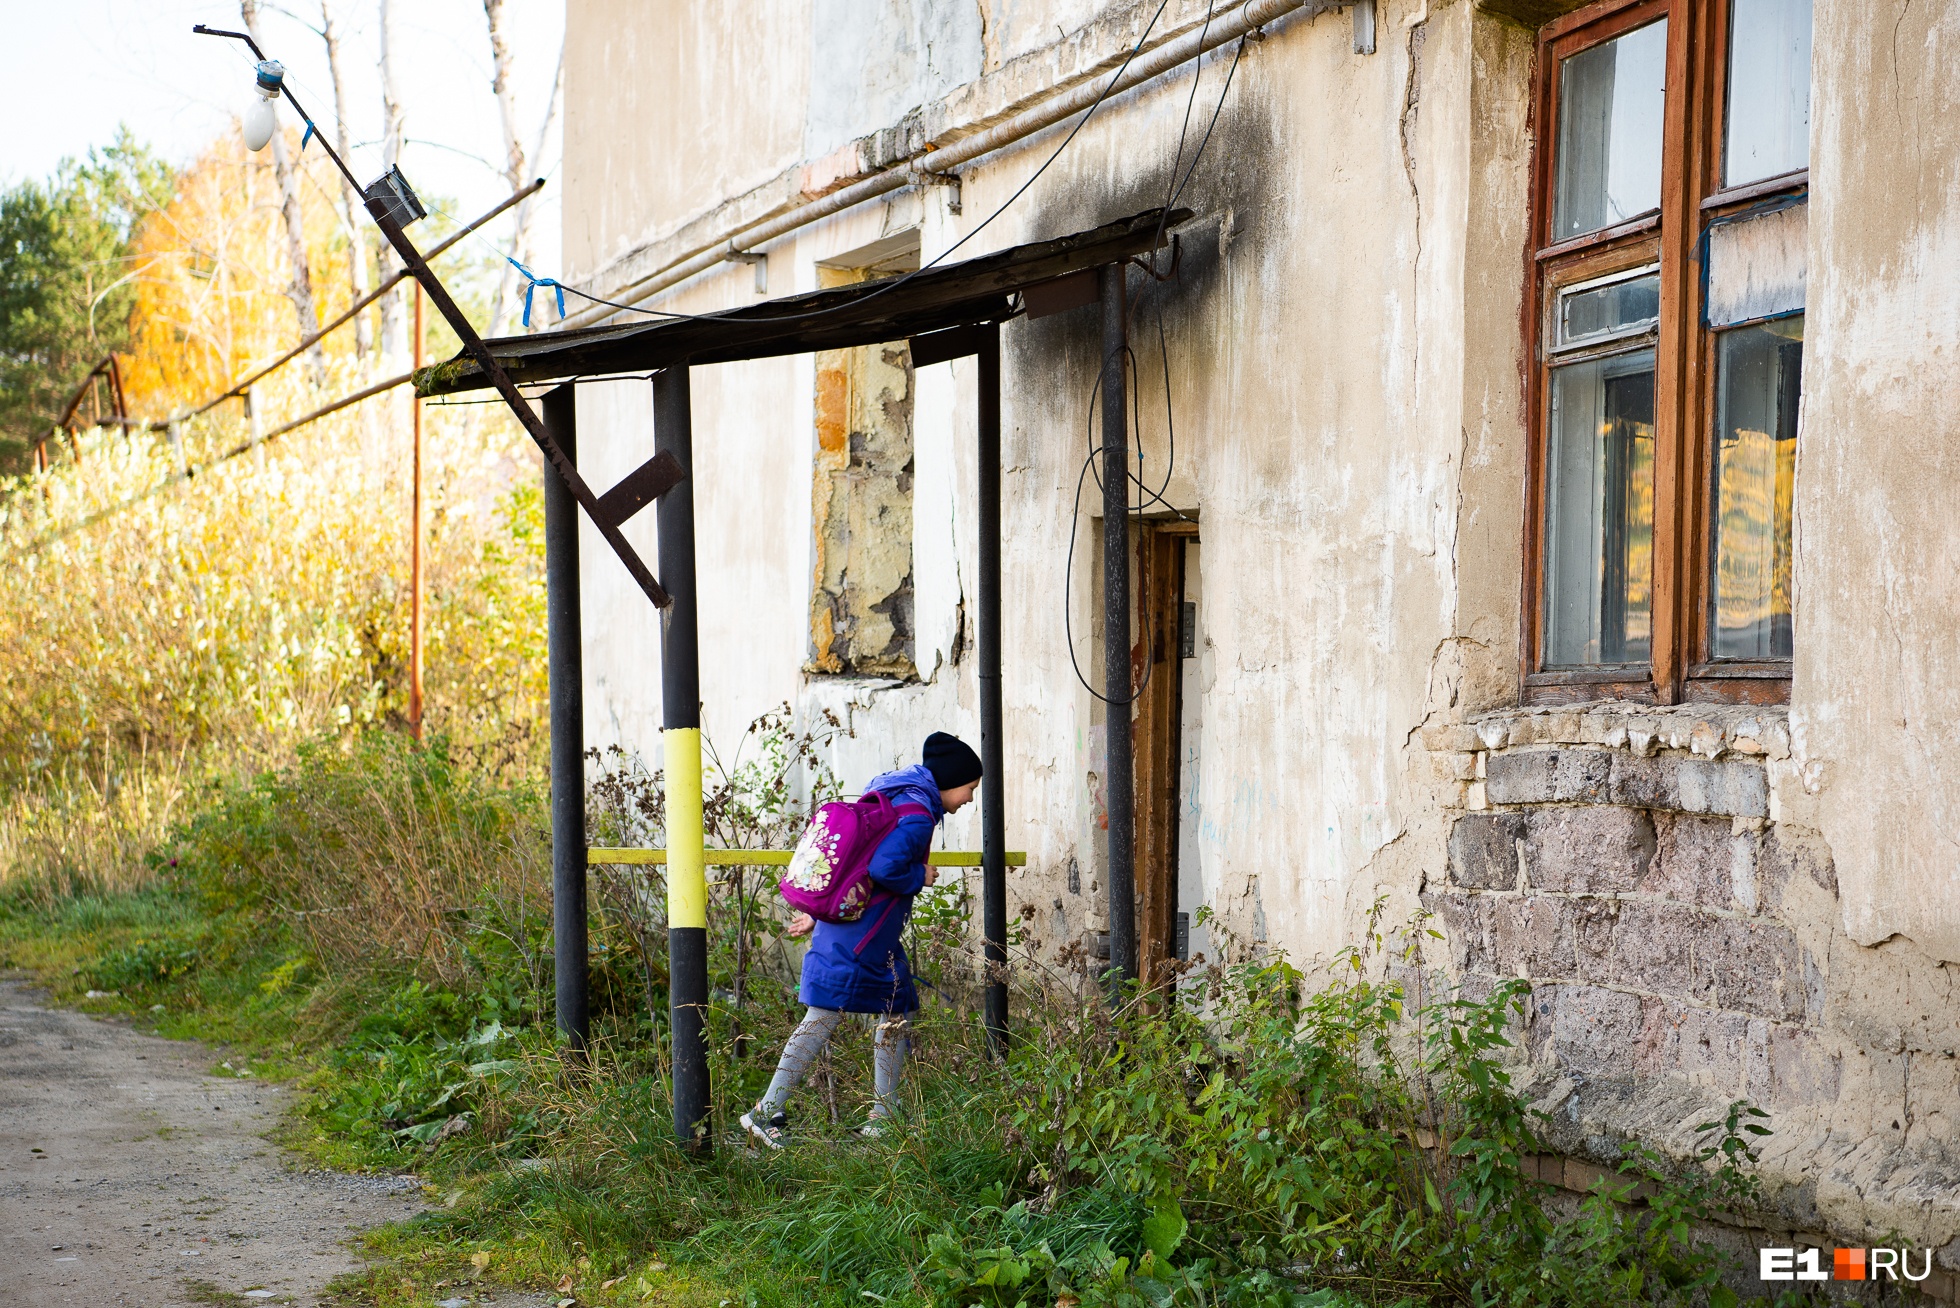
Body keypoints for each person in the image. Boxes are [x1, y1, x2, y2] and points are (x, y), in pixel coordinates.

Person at [740, 731, 983, 1148]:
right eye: (970, 788)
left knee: (896, 1009)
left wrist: (820, 917)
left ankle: (884, 1115)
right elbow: (885, 868)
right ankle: (766, 1111)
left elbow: (856, 864)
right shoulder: (919, 815)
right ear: (951, 781)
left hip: (858, 932)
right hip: (860, 940)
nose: (970, 799)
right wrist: (919, 877)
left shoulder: (894, 796)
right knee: (824, 1017)